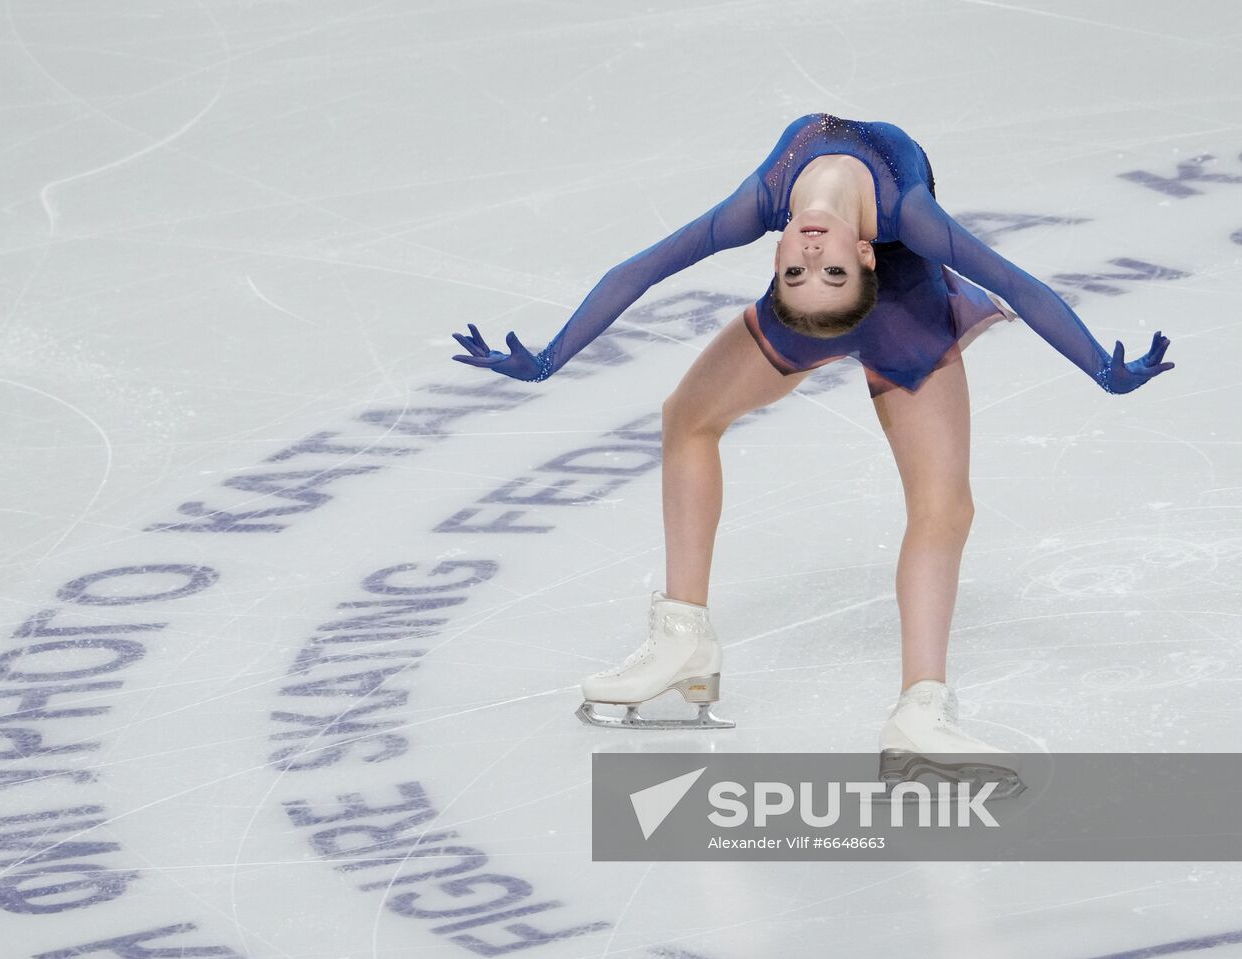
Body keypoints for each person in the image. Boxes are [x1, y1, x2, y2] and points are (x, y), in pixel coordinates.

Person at [450, 113, 1174, 770]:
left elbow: (1013, 282)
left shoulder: (800, 208)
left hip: (901, 312)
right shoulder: (867, 226)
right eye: (811, 269)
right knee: (690, 419)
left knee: (941, 506)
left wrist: (1100, 370)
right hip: (830, 322)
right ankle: (684, 639)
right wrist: (552, 358)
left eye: (806, 268)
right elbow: (647, 267)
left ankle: (919, 710)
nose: (811, 253)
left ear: (864, 252)